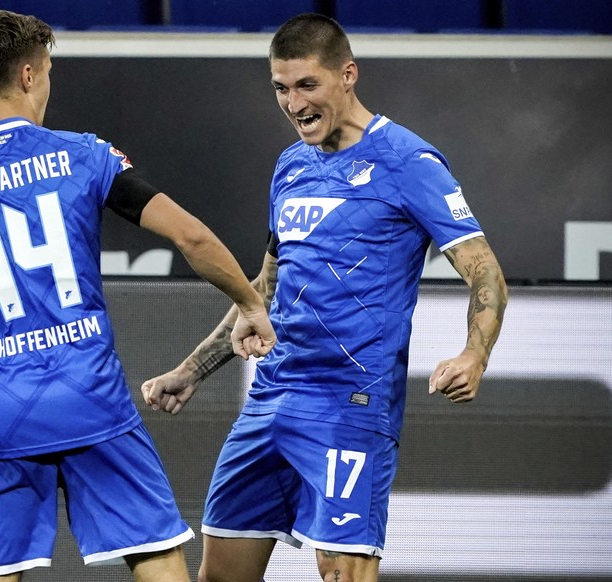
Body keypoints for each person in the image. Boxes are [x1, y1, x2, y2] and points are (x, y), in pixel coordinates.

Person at [0, 10, 275, 582]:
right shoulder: (85, 155)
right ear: (30, 75)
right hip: (94, 401)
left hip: (0, 415)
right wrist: (251, 304)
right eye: (50, 70)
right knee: (158, 560)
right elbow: (193, 236)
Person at [141, 13, 508, 582]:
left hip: (349, 407)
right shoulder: (290, 167)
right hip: (269, 400)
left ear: (348, 75)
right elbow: (264, 289)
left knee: (343, 575)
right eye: (281, 89)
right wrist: (190, 371)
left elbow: (485, 273)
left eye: (307, 85)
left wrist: (473, 354)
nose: (293, 104)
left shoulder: (411, 162)